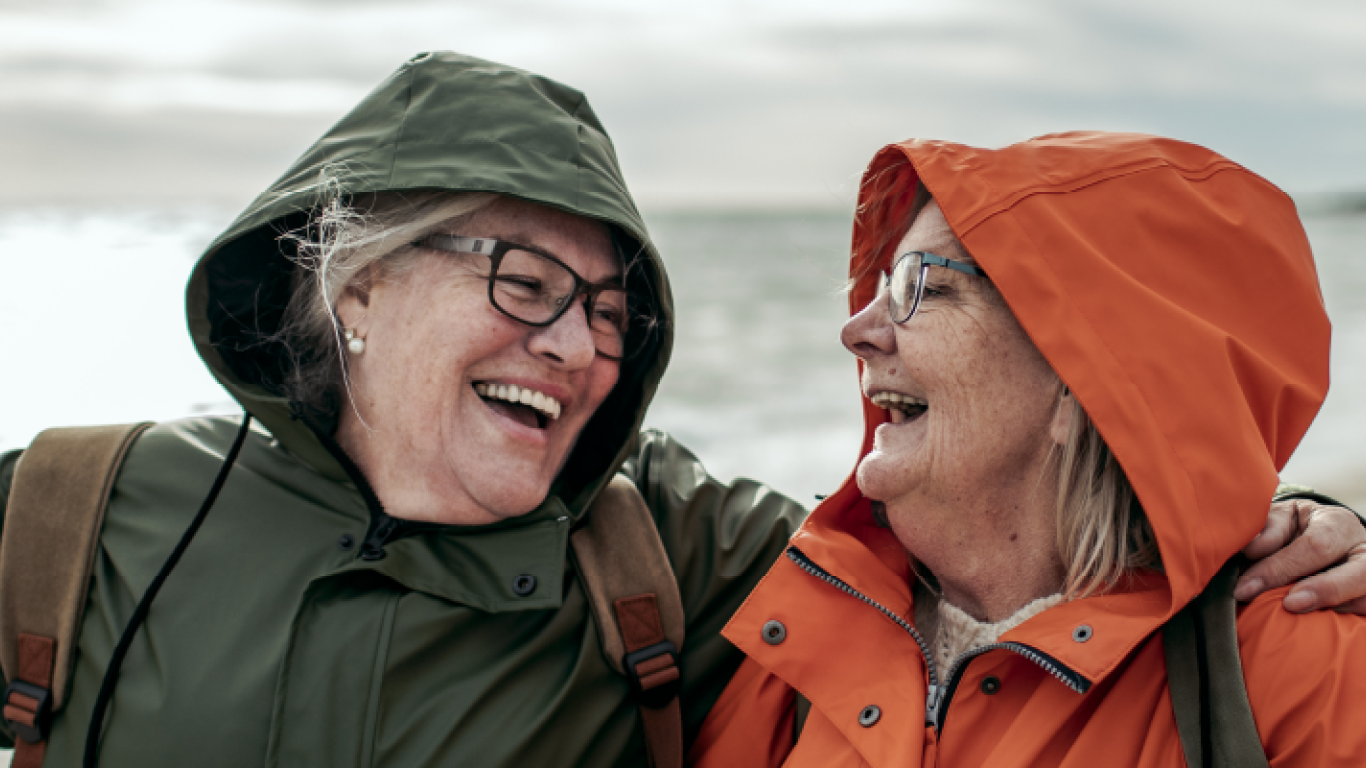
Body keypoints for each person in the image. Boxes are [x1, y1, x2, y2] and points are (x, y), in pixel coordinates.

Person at [0, 56, 1358, 766]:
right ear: (354, 279)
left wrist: (1304, 527)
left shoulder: (683, 548)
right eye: (524, 281)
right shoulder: (67, 511)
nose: (575, 345)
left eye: (607, 311)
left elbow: (1039, 540)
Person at [689, 132, 1366, 767]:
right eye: (882, 284)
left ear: (1085, 383)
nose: (857, 330)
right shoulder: (791, 632)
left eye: (921, 287)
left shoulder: (1301, 672)